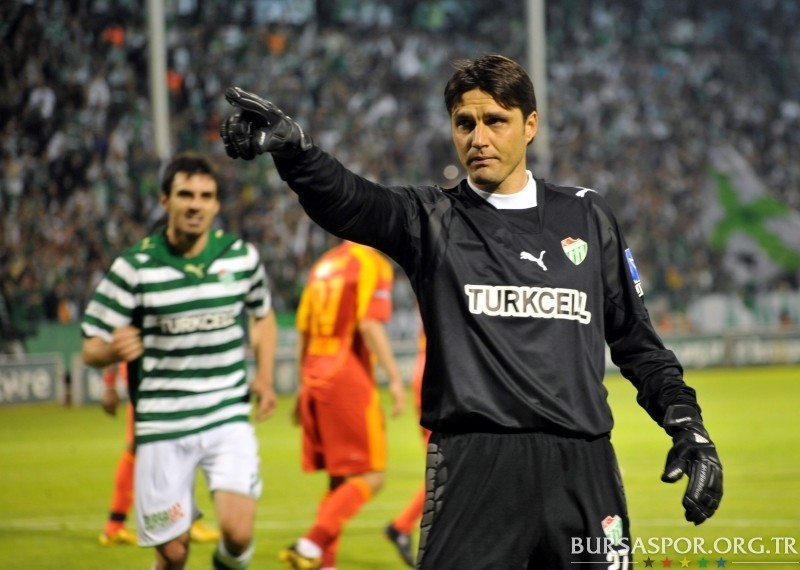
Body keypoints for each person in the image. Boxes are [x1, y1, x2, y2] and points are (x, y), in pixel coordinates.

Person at [219, 54, 723, 568]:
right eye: (465, 123)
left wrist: (688, 425)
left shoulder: (587, 215)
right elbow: (350, 200)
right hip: (474, 468)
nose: (478, 138)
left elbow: (638, 342)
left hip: (583, 468)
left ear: (530, 126)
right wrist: (298, 154)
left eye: (495, 121)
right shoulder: (430, 218)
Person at [81, 152, 278, 570]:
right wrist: (113, 350)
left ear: (217, 205)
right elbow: (91, 346)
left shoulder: (240, 257)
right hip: (162, 424)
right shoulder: (134, 267)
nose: (195, 205)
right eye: (185, 194)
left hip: (226, 414)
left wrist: (264, 377)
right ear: (165, 200)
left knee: (238, 535)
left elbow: (262, 315)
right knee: (173, 554)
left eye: (205, 196)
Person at [279, 240, 406, 570]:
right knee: (372, 475)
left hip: (314, 373)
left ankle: (325, 563)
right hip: (346, 375)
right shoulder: (371, 263)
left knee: (339, 479)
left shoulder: (324, 264)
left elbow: (303, 327)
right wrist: (395, 378)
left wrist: (302, 383)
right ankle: (310, 543)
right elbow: (369, 323)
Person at [97, 362, 221, 547]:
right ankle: (115, 526)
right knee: (140, 446)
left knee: (178, 442)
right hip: (148, 377)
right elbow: (114, 345)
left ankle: (183, 519)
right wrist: (109, 385)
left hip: (166, 376)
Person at [384, 324, 428, 568]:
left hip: (431, 371)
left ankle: (401, 526)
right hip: (440, 375)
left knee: (453, 469)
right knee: (451, 468)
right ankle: (401, 526)